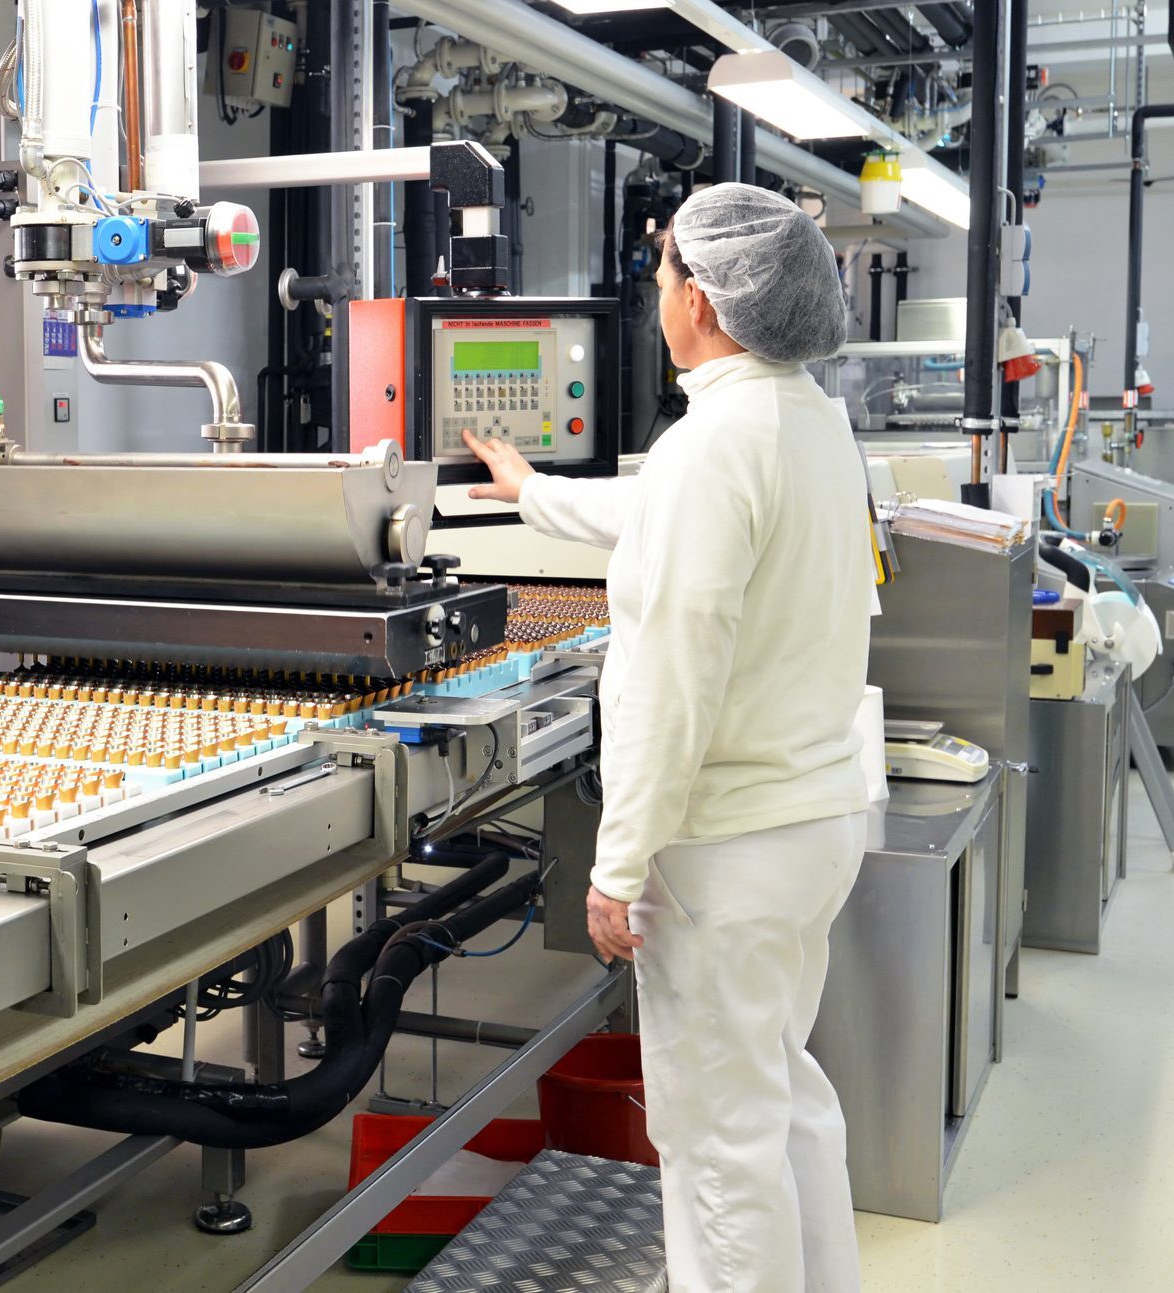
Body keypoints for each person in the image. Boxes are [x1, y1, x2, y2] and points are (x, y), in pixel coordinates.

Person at [461, 182, 872, 1293]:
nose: (655, 300)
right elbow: (656, 523)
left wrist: (616, 866)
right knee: (781, 1102)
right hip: (810, 821)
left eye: (659, 281)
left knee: (715, 1146)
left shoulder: (711, 445)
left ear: (704, 296)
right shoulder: (805, 420)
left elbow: (674, 682)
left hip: (725, 848)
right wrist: (529, 487)